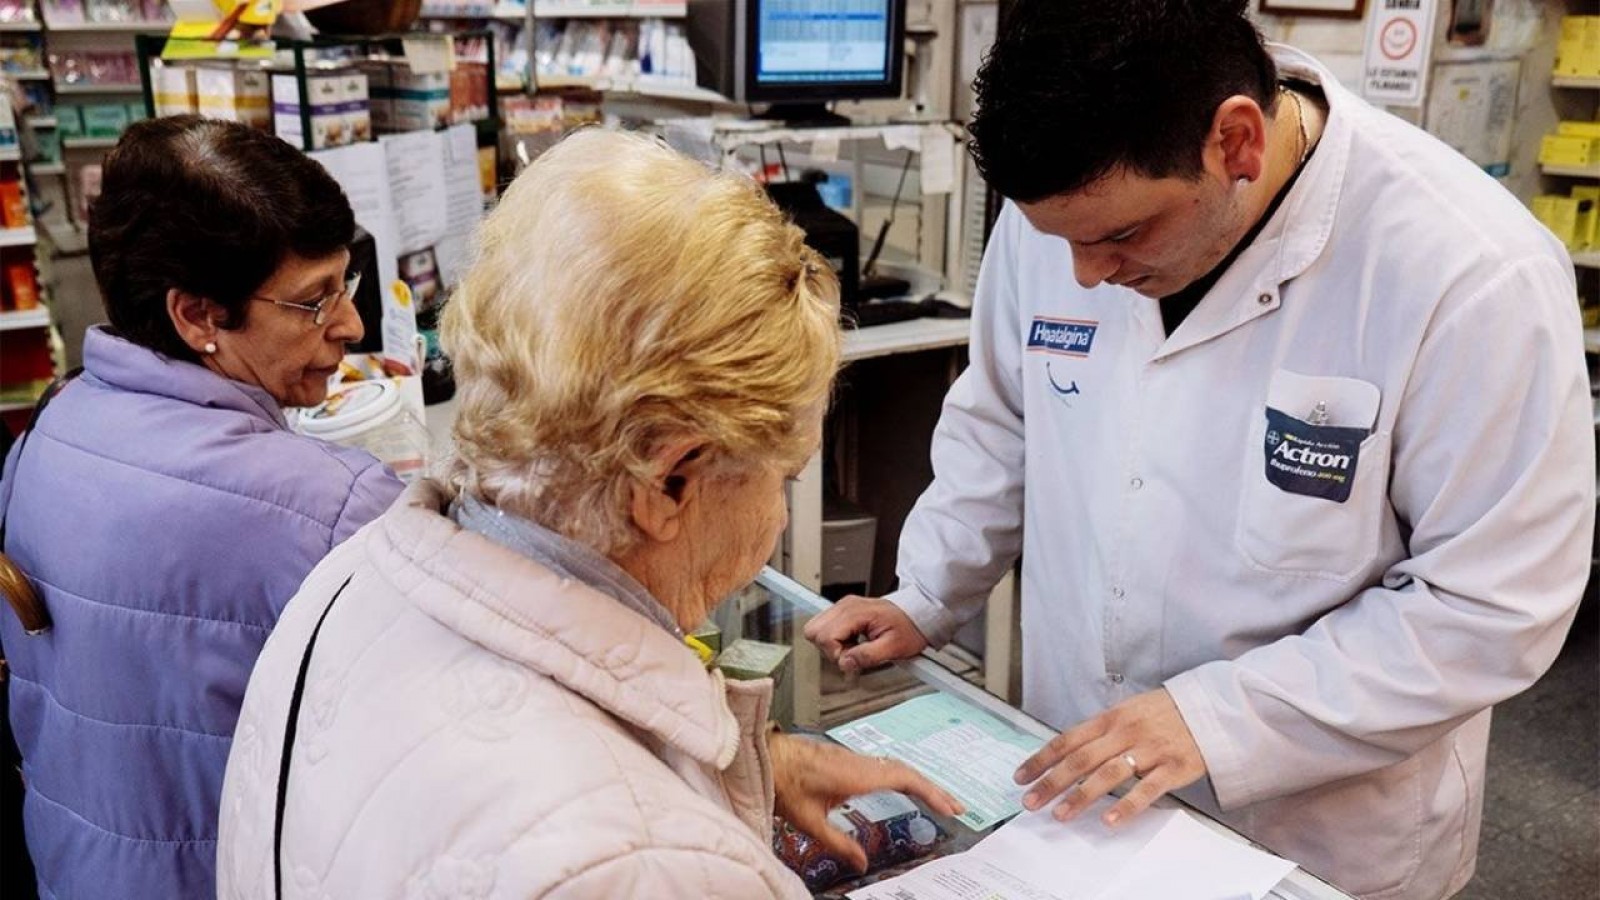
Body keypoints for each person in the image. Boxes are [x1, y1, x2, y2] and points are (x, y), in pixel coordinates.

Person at [804, 3, 1595, 898]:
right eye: (1062, 240)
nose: (1086, 276)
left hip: (1321, 838)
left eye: (1122, 236)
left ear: (1238, 142)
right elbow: (1002, 421)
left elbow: (1492, 602)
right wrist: (929, 592)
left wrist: (1219, 720)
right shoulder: (1070, 211)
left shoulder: (1470, 274)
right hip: (1077, 792)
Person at [215, 128, 961, 899]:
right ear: (671, 482)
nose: (777, 515)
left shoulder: (344, 583)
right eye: (786, 476)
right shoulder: (647, 864)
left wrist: (740, 771)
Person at [0, 116, 403, 900]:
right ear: (197, 317)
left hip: (72, 867)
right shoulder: (331, 508)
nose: (351, 325)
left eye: (344, 284)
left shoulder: (46, 432)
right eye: (315, 301)